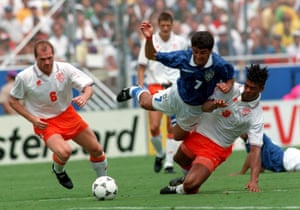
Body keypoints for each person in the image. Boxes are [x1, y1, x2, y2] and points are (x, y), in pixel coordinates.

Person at [9, 40, 107, 190]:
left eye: (50, 58)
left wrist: (84, 97)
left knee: (97, 149)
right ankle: (58, 170)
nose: (47, 62)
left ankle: (103, 183)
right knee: (65, 152)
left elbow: (88, 86)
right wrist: (32, 119)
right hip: (45, 121)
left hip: (68, 114)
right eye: (43, 59)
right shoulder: (25, 77)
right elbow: (13, 100)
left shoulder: (65, 68)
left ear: (53, 55)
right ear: (36, 58)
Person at [159, 64, 268, 194]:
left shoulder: (256, 116)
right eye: (247, 85)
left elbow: (255, 150)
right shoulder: (230, 89)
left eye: (252, 88)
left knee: (190, 186)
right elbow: (204, 107)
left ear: (261, 89)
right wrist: (214, 105)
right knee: (179, 159)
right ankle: (187, 177)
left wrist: (253, 181)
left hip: (217, 148)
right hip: (200, 134)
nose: (247, 90)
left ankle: (180, 187)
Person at [117, 22, 235, 143]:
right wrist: (149, 39)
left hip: (195, 107)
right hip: (176, 94)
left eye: (203, 53)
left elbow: (230, 76)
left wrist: (228, 85)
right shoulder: (183, 57)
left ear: (210, 51)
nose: (198, 56)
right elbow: (152, 55)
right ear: (191, 49)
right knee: (144, 103)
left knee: (177, 136)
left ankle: (175, 118)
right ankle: (134, 90)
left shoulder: (219, 64)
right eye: (195, 51)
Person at [136, 12, 188, 173]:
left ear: (172, 25)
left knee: (172, 127)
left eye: (168, 25)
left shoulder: (181, 41)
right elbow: (141, 66)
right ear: (159, 25)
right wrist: (140, 86)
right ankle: (160, 153)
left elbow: (186, 63)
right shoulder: (150, 40)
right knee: (153, 126)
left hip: (175, 86)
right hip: (155, 85)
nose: (165, 28)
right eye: (163, 25)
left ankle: (169, 163)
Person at [234, 133, 300, 174]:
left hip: (289, 159)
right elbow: (259, 167)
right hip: (287, 161)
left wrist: (242, 172)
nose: (242, 134)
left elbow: (250, 157)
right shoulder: (249, 144)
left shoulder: (256, 135)